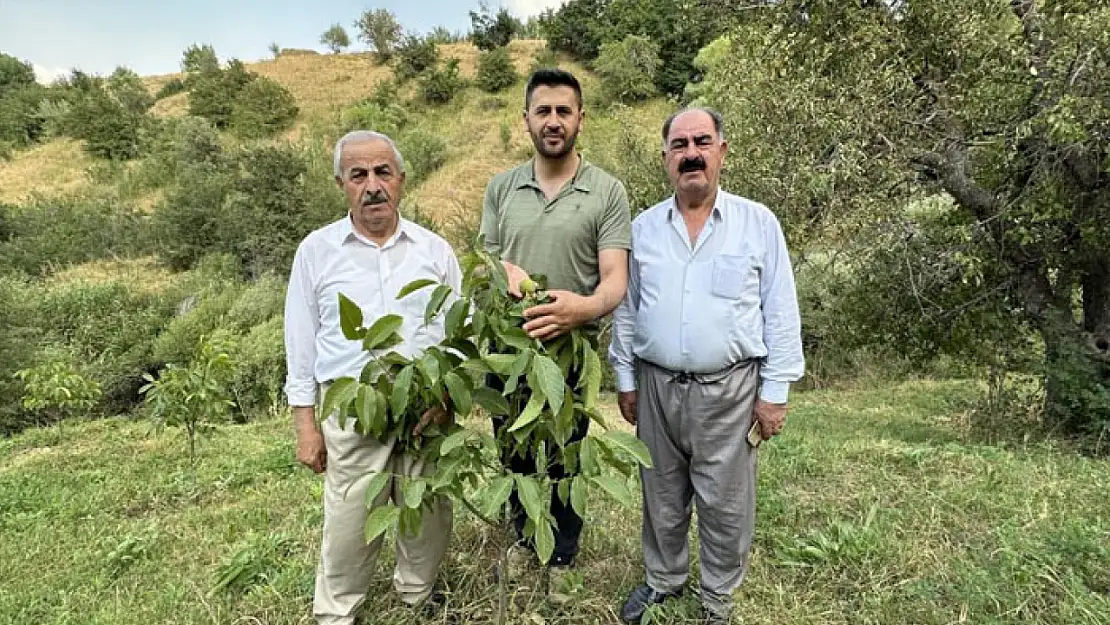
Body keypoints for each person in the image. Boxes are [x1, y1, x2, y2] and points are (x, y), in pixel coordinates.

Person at [609, 108, 804, 624]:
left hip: (732, 389)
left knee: (726, 501)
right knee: (661, 494)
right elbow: (627, 313)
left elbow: (780, 309)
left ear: (721, 151)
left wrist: (776, 390)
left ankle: (717, 598)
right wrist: (625, 380)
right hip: (656, 386)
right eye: (679, 145)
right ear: (666, 158)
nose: (690, 153)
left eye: (701, 141)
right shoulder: (643, 229)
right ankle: (663, 580)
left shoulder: (757, 223)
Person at [284, 130, 462, 625]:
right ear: (341, 183)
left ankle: (417, 598)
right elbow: (300, 344)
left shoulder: (435, 250)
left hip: (427, 408)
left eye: (383, 172)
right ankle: (337, 612)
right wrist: (305, 424)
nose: (372, 185)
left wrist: (445, 397)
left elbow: (456, 333)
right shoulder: (317, 252)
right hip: (352, 410)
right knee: (349, 518)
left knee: (428, 512)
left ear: (401, 179)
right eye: (358, 175)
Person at [479, 68, 632, 582]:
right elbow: (486, 259)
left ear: (580, 120)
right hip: (510, 351)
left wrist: (580, 310)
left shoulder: (607, 191)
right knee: (515, 451)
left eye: (563, 111)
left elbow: (614, 281)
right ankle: (523, 543)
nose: (553, 121)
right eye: (542, 110)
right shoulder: (501, 189)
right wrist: (502, 272)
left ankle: (564, 553)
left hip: (572, 357)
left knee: (569, 456)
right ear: (525, 120)